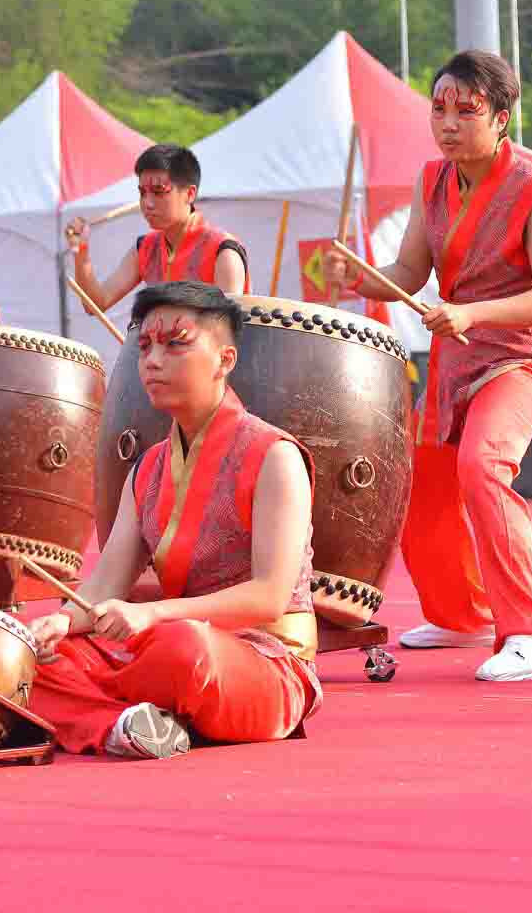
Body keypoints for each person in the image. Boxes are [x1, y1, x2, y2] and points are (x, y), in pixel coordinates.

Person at [327, 49, 532, 682]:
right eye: (439, 109)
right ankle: (461, 615)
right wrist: (360, 276)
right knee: (417, 486)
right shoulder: (432, 181)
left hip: (517, 359)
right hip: (455, 361)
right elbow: (410, 272)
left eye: (466, 110)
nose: (448, 123)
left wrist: (472, 313)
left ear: (501, 118)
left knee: (481, 467)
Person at [26, 283, 318, 759]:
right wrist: (58, 621)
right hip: (166, 644)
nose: (152, 361)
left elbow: (269, 598)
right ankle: (126, 724)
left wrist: (152, 613)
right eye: (145, 347)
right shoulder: (146, 470)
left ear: (224, 360)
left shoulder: (274, 456)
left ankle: (96, 715)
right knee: (29, 653)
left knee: (183, 648)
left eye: (175, 344)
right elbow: (104, 587)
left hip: (264, 662)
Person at [65, 144, 250, 313]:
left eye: (159, 191)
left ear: (190, 194)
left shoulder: (223, 251)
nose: (147, 203)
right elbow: (95, 305)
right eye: (142, 193)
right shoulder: (146, 248)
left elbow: (227, 328)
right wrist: (81, 253)